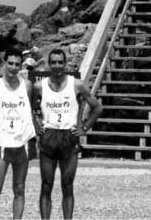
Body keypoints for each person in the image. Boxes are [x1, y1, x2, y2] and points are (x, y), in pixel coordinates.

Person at [32, 49, 102, 220]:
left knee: (67, 186)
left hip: (69, 139)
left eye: (60, 62)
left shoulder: (76, 84)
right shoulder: (39, 86)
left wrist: (84, 128)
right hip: (49, 137)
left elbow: (97, 107)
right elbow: (31, 107)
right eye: (54, 62)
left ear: (65, 63)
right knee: (46, 186)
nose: (57, 66)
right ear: (49, 64)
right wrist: (37, 124)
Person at [0, 48, 36, 219]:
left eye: (17, 64)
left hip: (22, 142)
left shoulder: (26, 85)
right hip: (2, 142)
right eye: (10, 63)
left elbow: (30, 111)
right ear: (4, 63)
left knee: (19, 188)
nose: (13, 68)